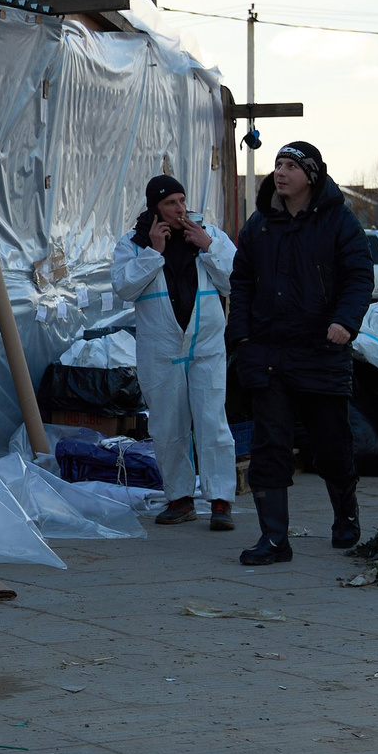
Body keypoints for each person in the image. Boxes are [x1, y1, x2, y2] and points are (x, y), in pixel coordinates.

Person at [226, 141, 374, 565]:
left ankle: (346, 514)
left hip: (321, 350)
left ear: (311, 175)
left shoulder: (338, 221)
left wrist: (345, 322)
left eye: (290, 165)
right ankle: (274, 539)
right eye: (277, 165)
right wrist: (243, 337)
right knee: (270, 444)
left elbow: (359, 276)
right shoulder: (259, 226)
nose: (280, 172)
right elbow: (242, 282)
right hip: (268, 353)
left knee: (331, 445)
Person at [111, 176, 238, 531]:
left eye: (182, 201)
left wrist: (208, 245)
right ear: (155, 208)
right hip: (161, 349)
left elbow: (236, 280)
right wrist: (153, 252)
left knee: (212, 422)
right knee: (168, 425)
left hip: (206, 346)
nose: (180, 209)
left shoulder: (207, 232)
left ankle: (221, 500)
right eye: (171, 204)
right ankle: (179, 499)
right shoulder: (134, 244)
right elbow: (124, 288)